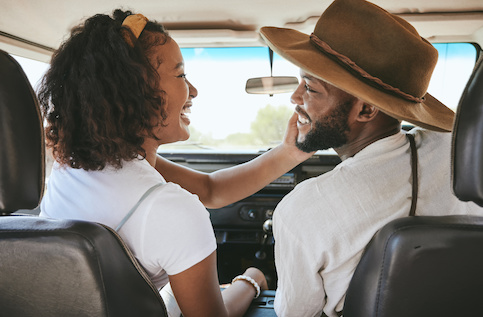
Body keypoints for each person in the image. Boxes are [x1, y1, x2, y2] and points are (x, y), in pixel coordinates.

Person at [38, 9, 312, 317]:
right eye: (181, 75)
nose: (193, 90)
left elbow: (211, 189)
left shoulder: (72, 167)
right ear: (135, 90)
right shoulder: (169, 209)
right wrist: (251, 279)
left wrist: (291, 152)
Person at [255, 0, 483, 316]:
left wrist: (251, 281)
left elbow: (296, 312)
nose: (295, 98)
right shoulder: (460, 157)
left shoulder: (302, 211)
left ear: (366, 109)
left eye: (310, 87)